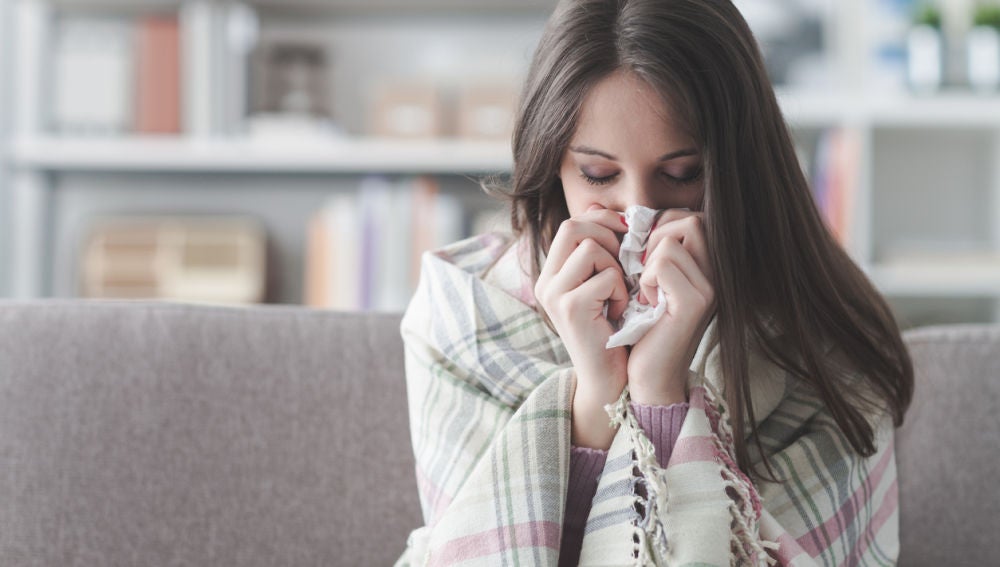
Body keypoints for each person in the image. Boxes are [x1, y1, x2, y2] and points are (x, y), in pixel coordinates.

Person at [395, 0, 913, 565]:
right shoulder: (464, 312)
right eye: (598, 174)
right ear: (552, 165)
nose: (638, 211)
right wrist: (595, 397)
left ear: (738, 167)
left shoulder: (820, 334)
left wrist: (661, 391)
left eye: (681, 174)